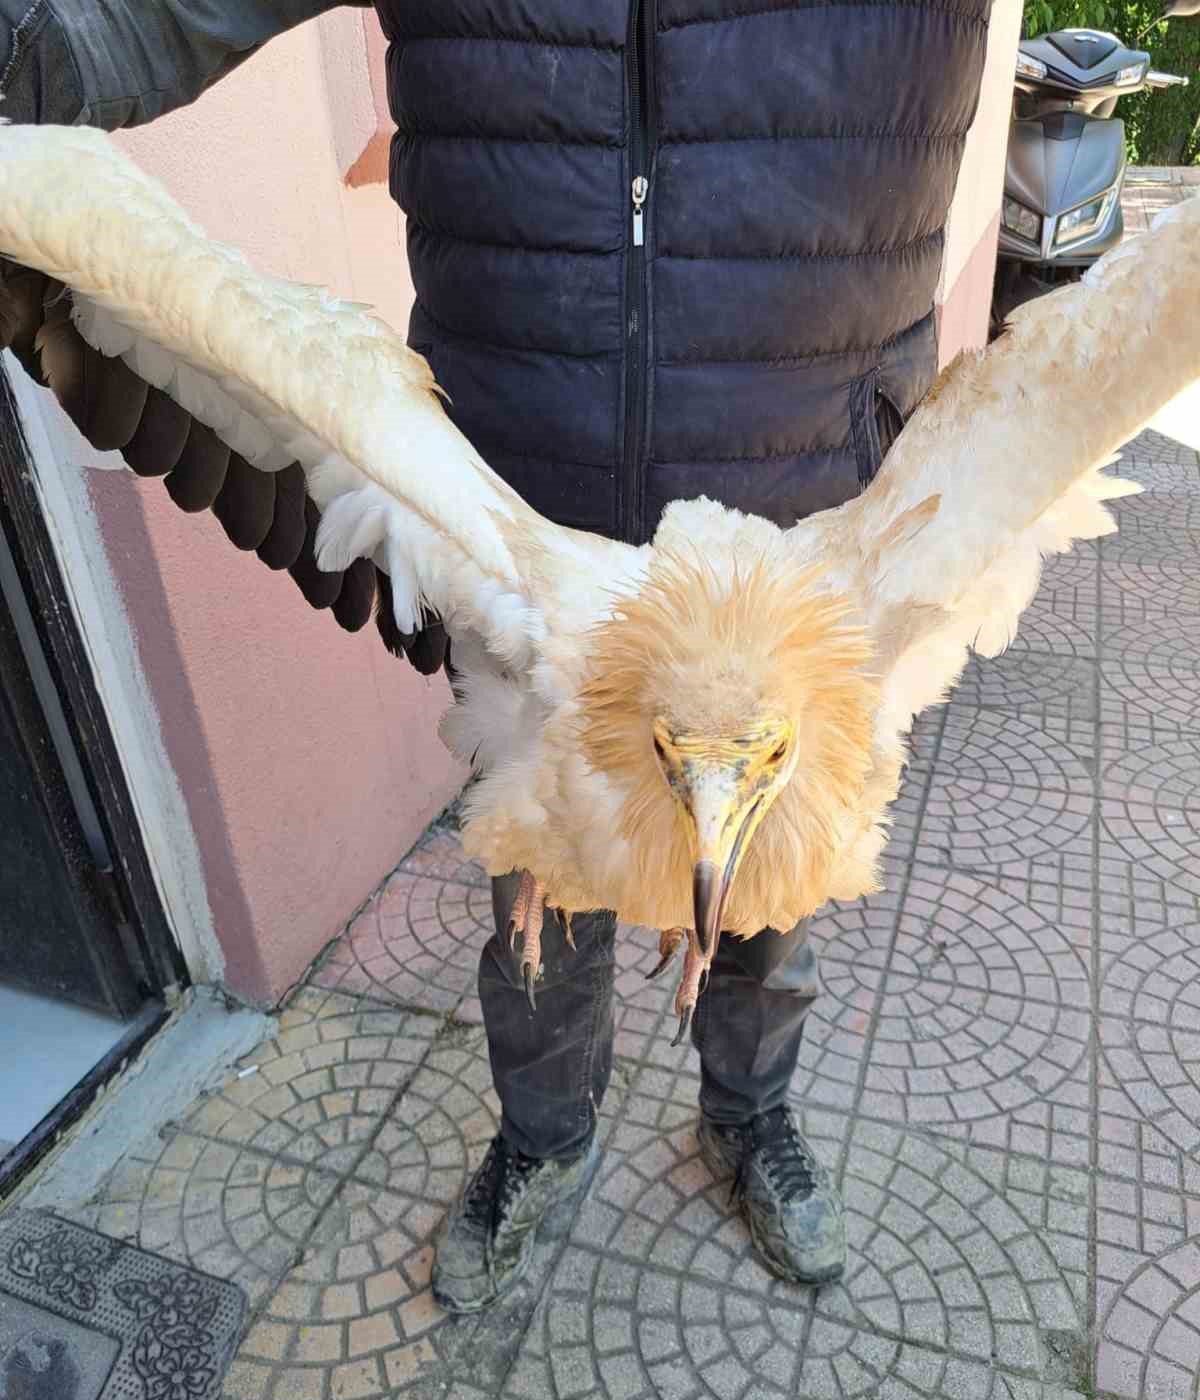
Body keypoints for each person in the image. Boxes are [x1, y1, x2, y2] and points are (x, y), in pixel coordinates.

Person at [0, 0, 990, 1312]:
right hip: (525, 520)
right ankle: (545, 1137)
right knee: (537, 894)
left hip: (799, 524)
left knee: (763, 889)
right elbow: (116, 20)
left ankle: (749, 1115)